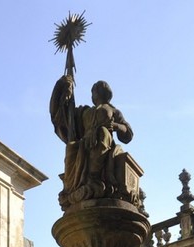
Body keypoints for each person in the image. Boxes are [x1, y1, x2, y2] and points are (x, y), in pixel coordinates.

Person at [49, 75, 136, 207]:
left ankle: (94, 178)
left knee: (102, 133)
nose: (93, 95)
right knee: (71, 146)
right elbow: (66, 116)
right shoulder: (86, 111)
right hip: (84, 143)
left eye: (94, 91)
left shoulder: (113, 111)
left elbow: (128, 132)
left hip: (104, 138)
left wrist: (116, 126)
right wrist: (63, 89)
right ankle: (71, 187)